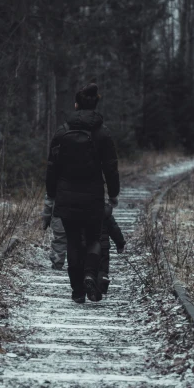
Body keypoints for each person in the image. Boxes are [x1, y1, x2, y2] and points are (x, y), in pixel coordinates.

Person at [45, 82, 120, 303]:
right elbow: (111, 166)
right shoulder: (102, 133)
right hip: (93, 197)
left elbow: (52, 167)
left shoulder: (62, 132)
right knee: (94, 238)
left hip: (66, 197)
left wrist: (51, 194)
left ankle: (77, 291)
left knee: (73, 241)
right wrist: (113, 194)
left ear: (76, 105)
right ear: (95, 105)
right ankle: (89, 273)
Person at [43, 196, 126, 293]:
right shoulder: (105, 214)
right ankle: (100, 280)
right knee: (102, 265)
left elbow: (49, 200)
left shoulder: (60, 190)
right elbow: (114, 229)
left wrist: (47, 218)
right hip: (102, 246)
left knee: (60, 241)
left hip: (62, 217)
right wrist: (120, 243)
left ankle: (57, 262)